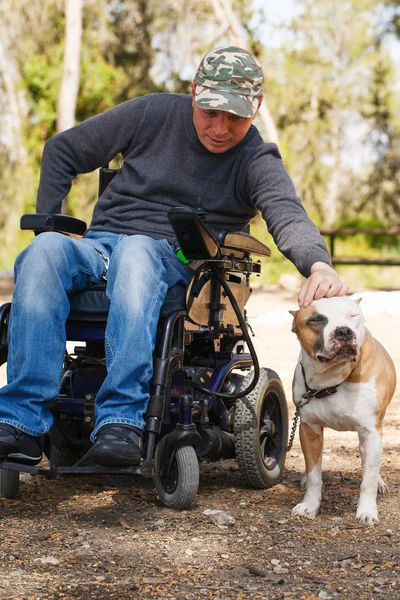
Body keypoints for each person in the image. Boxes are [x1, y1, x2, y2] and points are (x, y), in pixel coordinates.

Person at [0, 46, 348, 467]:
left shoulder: (256, 159)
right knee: (44, 252)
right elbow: (62, 150)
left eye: (235, 117)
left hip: (179, 261)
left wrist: (318, 264)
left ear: (256, 107)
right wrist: (51, 225)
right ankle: (20, 423)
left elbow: (287, 214)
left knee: (137, 250)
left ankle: (121, 420)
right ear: (193, 92)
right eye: (210, 113)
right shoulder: (152, 113)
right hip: (102, 246)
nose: (220, 128)